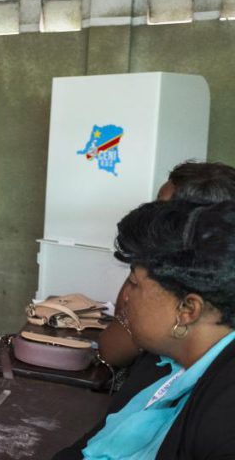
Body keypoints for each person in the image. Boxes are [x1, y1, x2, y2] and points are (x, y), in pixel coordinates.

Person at [53, 161, 235, 458]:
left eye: (135, 285)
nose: (124, 300)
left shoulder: (224, 419)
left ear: (187, 310)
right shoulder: (186, 365)